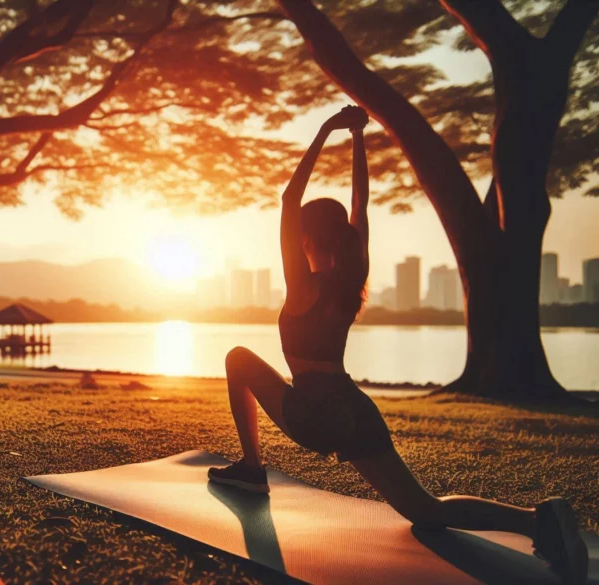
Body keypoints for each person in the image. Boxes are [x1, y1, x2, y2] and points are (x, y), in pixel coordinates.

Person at [206, 105, 588, 585]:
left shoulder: (304, 285)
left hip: (312, 414)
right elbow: (360, 205)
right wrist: (359, 138)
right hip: (354, 408)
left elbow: (289, 199)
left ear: (305, 236)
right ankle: (538, 519)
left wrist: (327, 130)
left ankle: (251, 467)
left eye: (299, 232)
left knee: (238, 359)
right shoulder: (350, 279)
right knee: (424, 511)